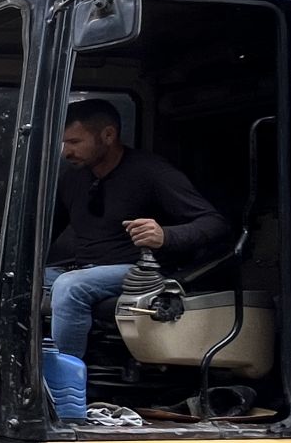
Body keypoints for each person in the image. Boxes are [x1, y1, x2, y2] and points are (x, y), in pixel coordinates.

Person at [45, 99, 229, 362]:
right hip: (85, 268)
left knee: (70, 286)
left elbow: (215, 223)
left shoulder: (151, 172)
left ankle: (64, 378)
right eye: (64, 143)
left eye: (75, 142)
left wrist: (166, 235)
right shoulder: (73, 178)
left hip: (137, 271)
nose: (67, 152)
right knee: (16, 280)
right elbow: (46, 229)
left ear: (108, 135)